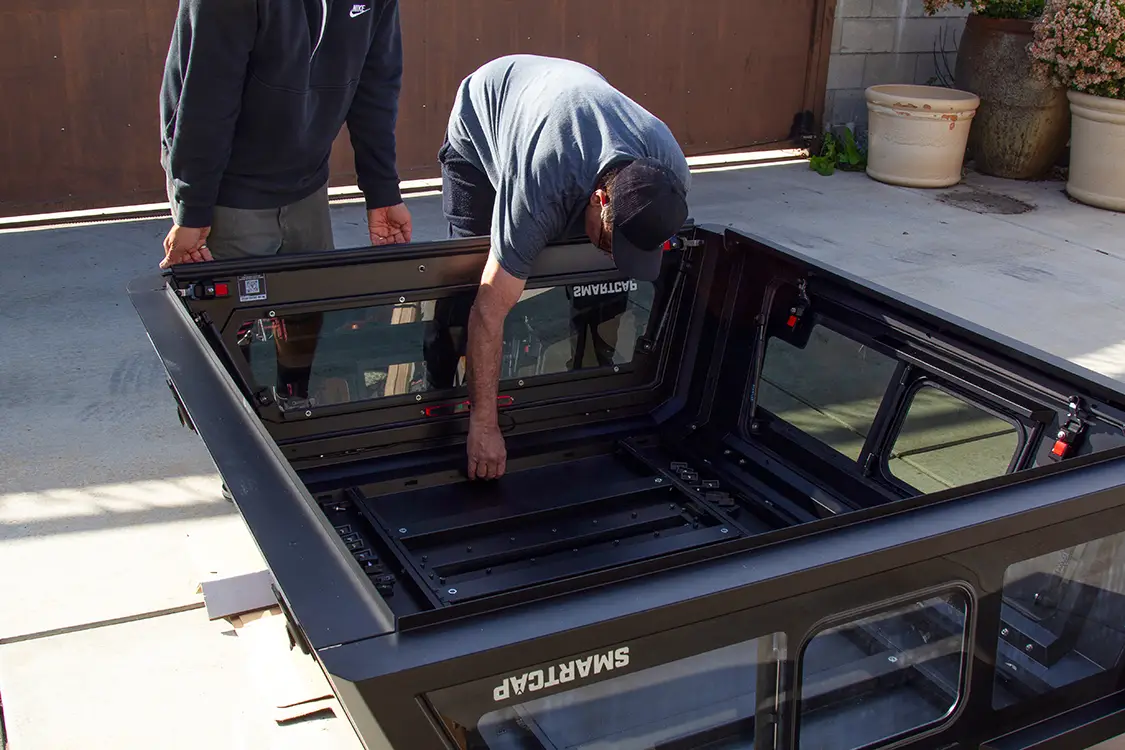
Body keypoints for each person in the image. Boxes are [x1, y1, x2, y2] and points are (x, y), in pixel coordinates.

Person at [434, 54, 691, 482]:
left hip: (568, 102)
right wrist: (485, 425)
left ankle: (585, 384)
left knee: (602, 284)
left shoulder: (670, 173)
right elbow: (489, 309)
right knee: (469, 290)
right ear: (600, 199)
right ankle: (445, 392)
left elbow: (634, 241)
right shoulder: (541, 186)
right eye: (612, 243)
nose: (614, 256)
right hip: (485, 117)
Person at [156, 0, 413, 402]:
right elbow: (206, 98)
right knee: (225, 323)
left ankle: (294, 400)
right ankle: (225, 416)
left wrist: (382, 190)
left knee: (306, 307)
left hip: (306, 176)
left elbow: (376, 82)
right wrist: (193, 208)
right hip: (228, 181)